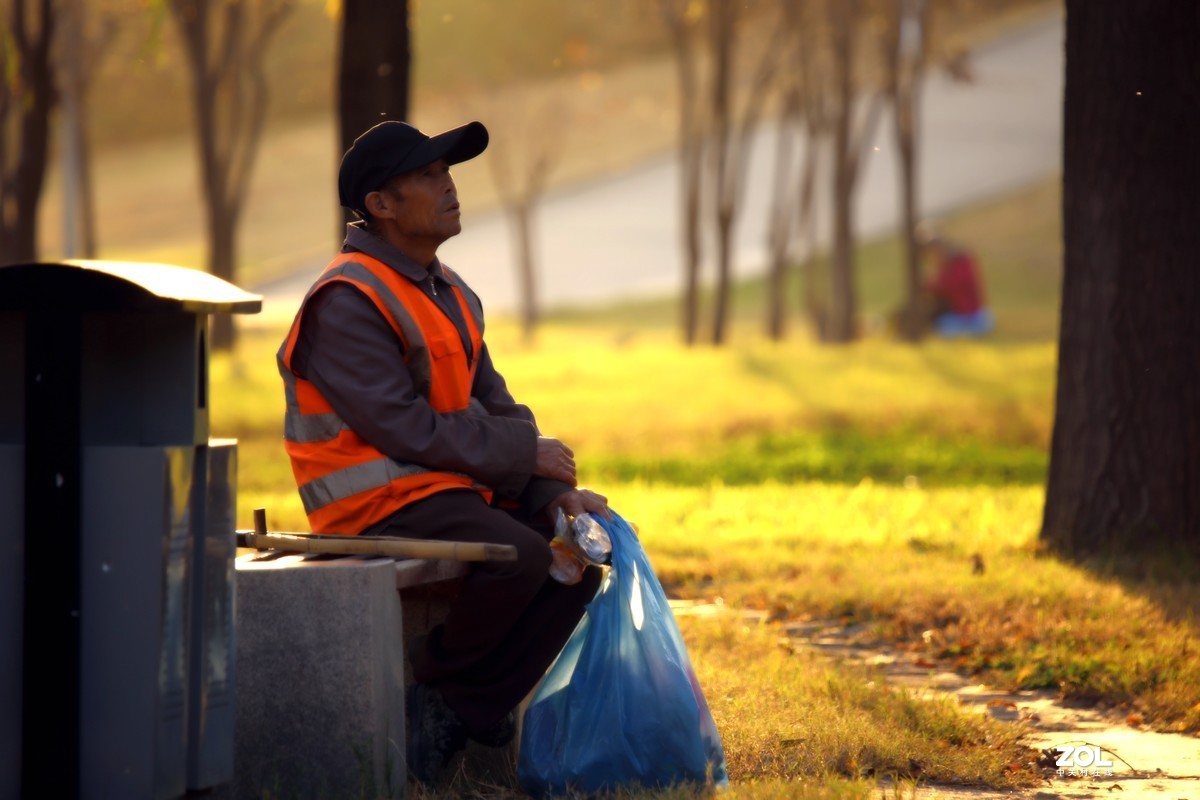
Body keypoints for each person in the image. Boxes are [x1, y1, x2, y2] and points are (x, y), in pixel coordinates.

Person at [276, 119, 609, 785]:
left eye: (446, 172)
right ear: (381, 205)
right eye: (428, 176)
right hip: (374, 503)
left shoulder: (448, 289)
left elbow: (496, 401)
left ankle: (457, 704)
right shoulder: (347, 298)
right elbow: (405, 428)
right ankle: (446, 694)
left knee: (579, 559)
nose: (449, 186)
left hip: (445, 493)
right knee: (520, 557)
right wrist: (526, 456)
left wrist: (551, 494)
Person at [917, 223, 994, 338]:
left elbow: (952, 286)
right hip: (960, 315)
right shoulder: (946, 265)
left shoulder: (960, 261)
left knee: (943, 329)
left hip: (970, 317)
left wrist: (929, 285)